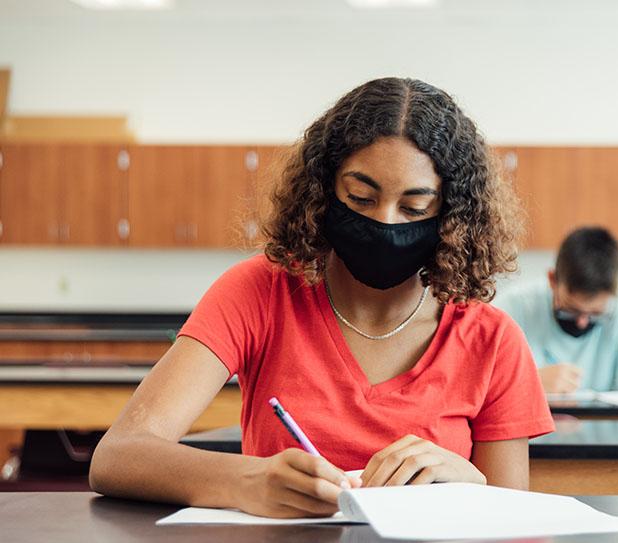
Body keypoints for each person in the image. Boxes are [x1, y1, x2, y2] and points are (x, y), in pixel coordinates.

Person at [90, 77, 554, 518]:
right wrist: (247, 480)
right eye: (360, 198)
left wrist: (468, 481)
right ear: (324, 189)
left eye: (414, 208)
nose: (386, 223)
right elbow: (118, 456)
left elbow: (512, 519)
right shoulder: (259, 292)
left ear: (452, 215)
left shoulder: (492, 340)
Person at [495, 227, 618, 394]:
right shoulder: (512, 308)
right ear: (552, 280)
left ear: (613, 293)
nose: (582, 322)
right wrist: (528, 383)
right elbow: (481, 389)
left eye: (595, 314)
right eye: (570, 310)